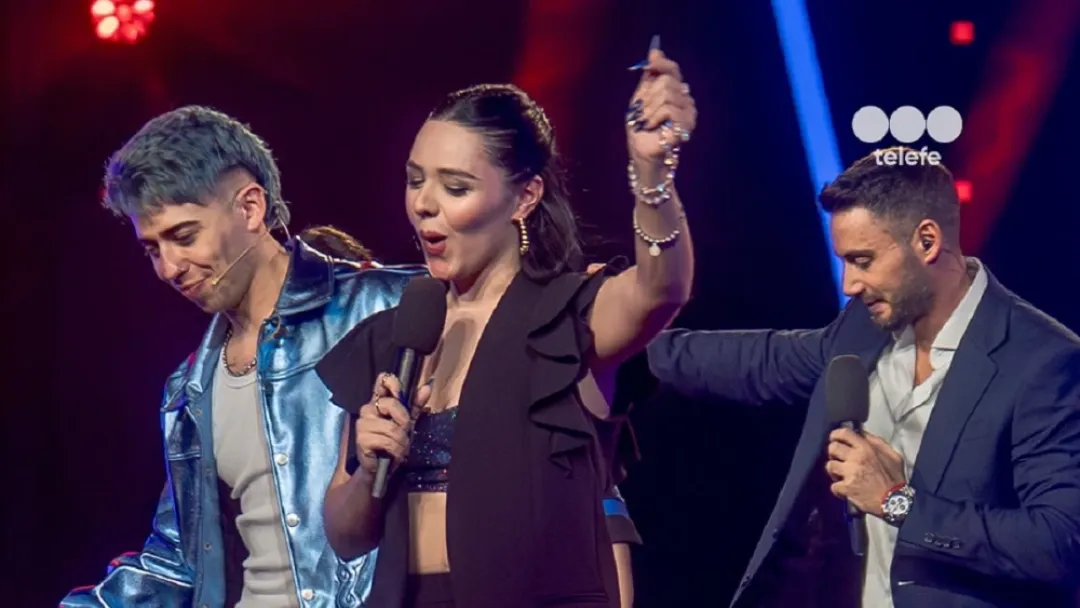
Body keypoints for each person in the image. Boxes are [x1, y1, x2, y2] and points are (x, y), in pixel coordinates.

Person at [59, 105, 641, 608]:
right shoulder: (188, 389)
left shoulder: (396, 309)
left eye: (184, 237)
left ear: (251, 208)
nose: (168, 267)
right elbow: (178, 560)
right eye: (151, 248)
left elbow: (571, 453)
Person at [315, 48, 697, 608]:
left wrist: (652, 173)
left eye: (455, 187)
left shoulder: (567, 316)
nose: (424, 204)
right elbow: (346, 537)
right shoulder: (391, 338)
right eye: (415, 180)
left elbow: (662, 288)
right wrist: (371, 466)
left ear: (525, 196)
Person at [646, 147, 1080, 608]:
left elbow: (1060, 545)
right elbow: (760, 360)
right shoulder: (864, 326)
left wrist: (897, 501)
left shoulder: (1044, 362)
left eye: (863, 260)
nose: (848, 284)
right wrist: (621, 337)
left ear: (927, 241)